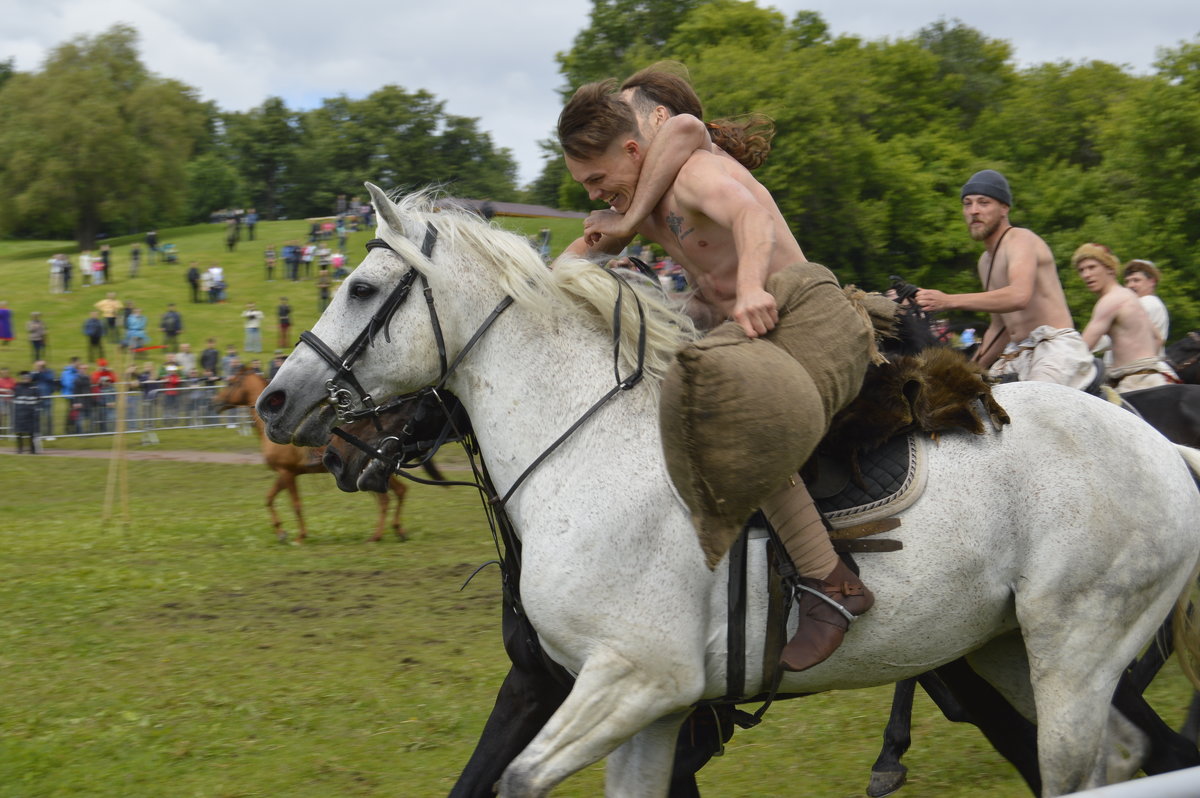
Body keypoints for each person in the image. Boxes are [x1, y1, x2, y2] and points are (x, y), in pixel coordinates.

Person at [558, 68, 880, 672]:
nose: (594, 194)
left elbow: (749, 216)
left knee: (729, 417)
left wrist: (755, 286)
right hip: (753, 330)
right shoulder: (644, 205)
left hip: (801, 312)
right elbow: (574, 261)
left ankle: (833, 584)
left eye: (597, 179)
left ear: (635, 148)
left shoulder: (693, 172)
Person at [915, 169, 1095, 389]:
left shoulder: (1020, 238)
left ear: (1004, 208)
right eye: (967, 203)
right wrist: (968, 369)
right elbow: (1000, 327)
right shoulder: (985, 261)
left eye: (983, 203)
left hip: (1055, 347)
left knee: (1033, 407)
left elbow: (1019, 296)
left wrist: (948, 300)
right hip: (1015, 353)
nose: (974, 211)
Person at [1072, 243, 1177, 393]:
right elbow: (1157, 338)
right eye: (1081, 270)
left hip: (1134, 384)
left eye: (1092, 267)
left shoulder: (1110, 301)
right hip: (1151, 379)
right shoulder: (1129, 296)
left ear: (1109, 268)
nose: (1086, 275)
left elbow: (1081, 350)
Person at [1124, 259, 1169, 357]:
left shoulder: (1148, 302)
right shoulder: (1148, 303)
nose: (1130, 285)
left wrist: (1086, 344)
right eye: (1127, 281)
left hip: (1137, 368)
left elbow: (1116, 335)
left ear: (1152, 282)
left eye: (1136, 280)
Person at [12, 370, 40, 453]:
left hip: (31, 413)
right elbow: (15, 397)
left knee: (32, 432)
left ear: (30, 378)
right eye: (24, 378)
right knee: (19, 432)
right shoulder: (17, 387)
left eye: (27, 378)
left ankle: (32, 449)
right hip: (20, 412)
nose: (25, 379)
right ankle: (20, 449)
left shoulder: (34, 387)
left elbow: (38, 398)